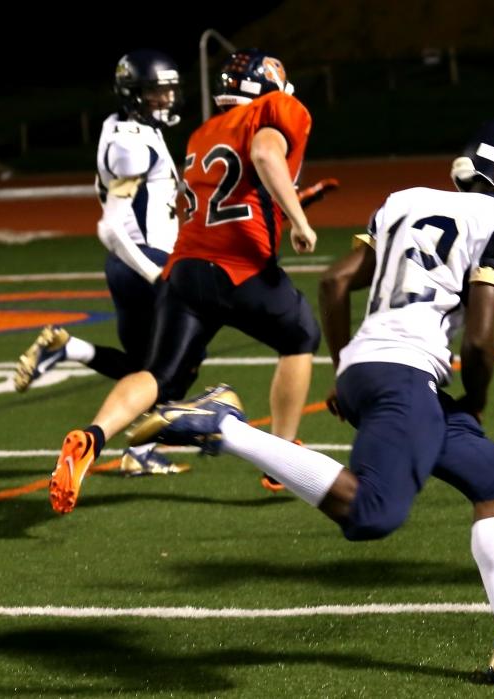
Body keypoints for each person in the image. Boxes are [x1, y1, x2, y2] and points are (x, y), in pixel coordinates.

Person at [127, 118, 494, 683]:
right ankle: (226, 426)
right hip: (406, 373)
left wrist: (346, 367)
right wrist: (475, 398)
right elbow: (479, 336)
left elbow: (334, 281)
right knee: (373, 513)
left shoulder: (404, 201)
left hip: (371, 366)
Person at [48, 48, 323, 514]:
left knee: (157, 374)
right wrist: (297, 219)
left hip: (187, 268)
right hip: (241, 267)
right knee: (300, 335)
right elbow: (262, 152)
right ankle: (279, 458)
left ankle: (91, 438)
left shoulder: (202, 133)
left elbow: (204, 198)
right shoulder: (277, 110)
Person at [15, 49, 189, 477]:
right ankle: (139, 451)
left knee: (142, 371)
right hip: (143, 261)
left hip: (128, 266)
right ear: (132, 95)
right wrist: (155, 273)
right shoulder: (132, 144)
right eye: (154, 92)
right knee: (172, 368)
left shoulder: (121, 127)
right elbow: (111, 226)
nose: (165, 100)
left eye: (168, 91)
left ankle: (68, 349)